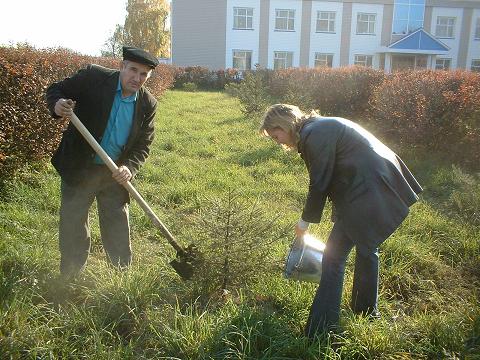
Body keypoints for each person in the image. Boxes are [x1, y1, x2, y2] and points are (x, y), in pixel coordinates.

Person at [260, 104, 423, 338]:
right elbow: (341, 171)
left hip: (370, 188)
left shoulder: (314, 135)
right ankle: (366, 311)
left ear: (284, 125)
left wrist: (304, 223)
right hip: (377, 184)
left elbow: (319, 183)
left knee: (333, 257)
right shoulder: (318, 127)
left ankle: (321, 328)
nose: (280, 143)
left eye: (277, 137)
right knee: (367, 248)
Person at [46, 46, 159, 277]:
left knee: (117, 225)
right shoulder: (93, 78)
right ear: (122, 66)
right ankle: (70, 275)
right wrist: (57, 105)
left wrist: (129, 167)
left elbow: (143, 144)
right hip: (80, 167)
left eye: (143, 74)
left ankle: (120, 277)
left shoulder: (148, 103)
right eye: (133, 70)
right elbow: (56, 89)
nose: (137, 78)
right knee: (73, 223)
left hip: (114, 172)